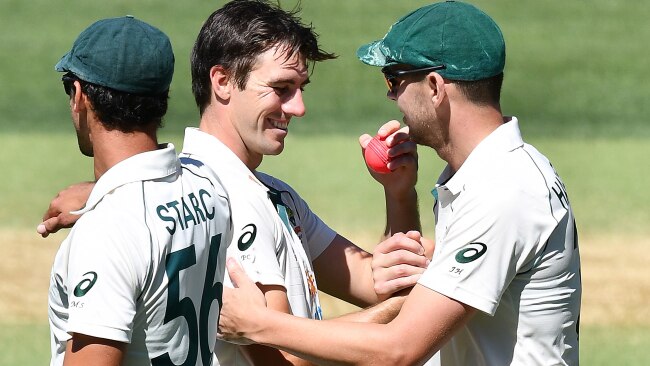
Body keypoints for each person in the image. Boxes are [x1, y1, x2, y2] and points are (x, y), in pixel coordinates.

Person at [40, 1, 431, 365]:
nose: (299, 107)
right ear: (222, 82)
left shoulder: (268, 193)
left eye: (300, 89)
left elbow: (377, 283)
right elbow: (286, 358)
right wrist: (425, 301)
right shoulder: (231, 198)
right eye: (281, 89)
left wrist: (399, 195)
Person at [217, 1, 582, 365]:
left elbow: (399, 349)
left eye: (394, 80)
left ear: (436, 86)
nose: (391, 97)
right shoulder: (483, 176)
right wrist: (400, 195)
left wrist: (257, 324)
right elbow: (403, 294)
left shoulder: (503, 191)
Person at [47, 16, 232, 366]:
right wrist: (102, 195)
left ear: (79, 95)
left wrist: (107, 209)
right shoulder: (210, 185)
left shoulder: (107, 231)